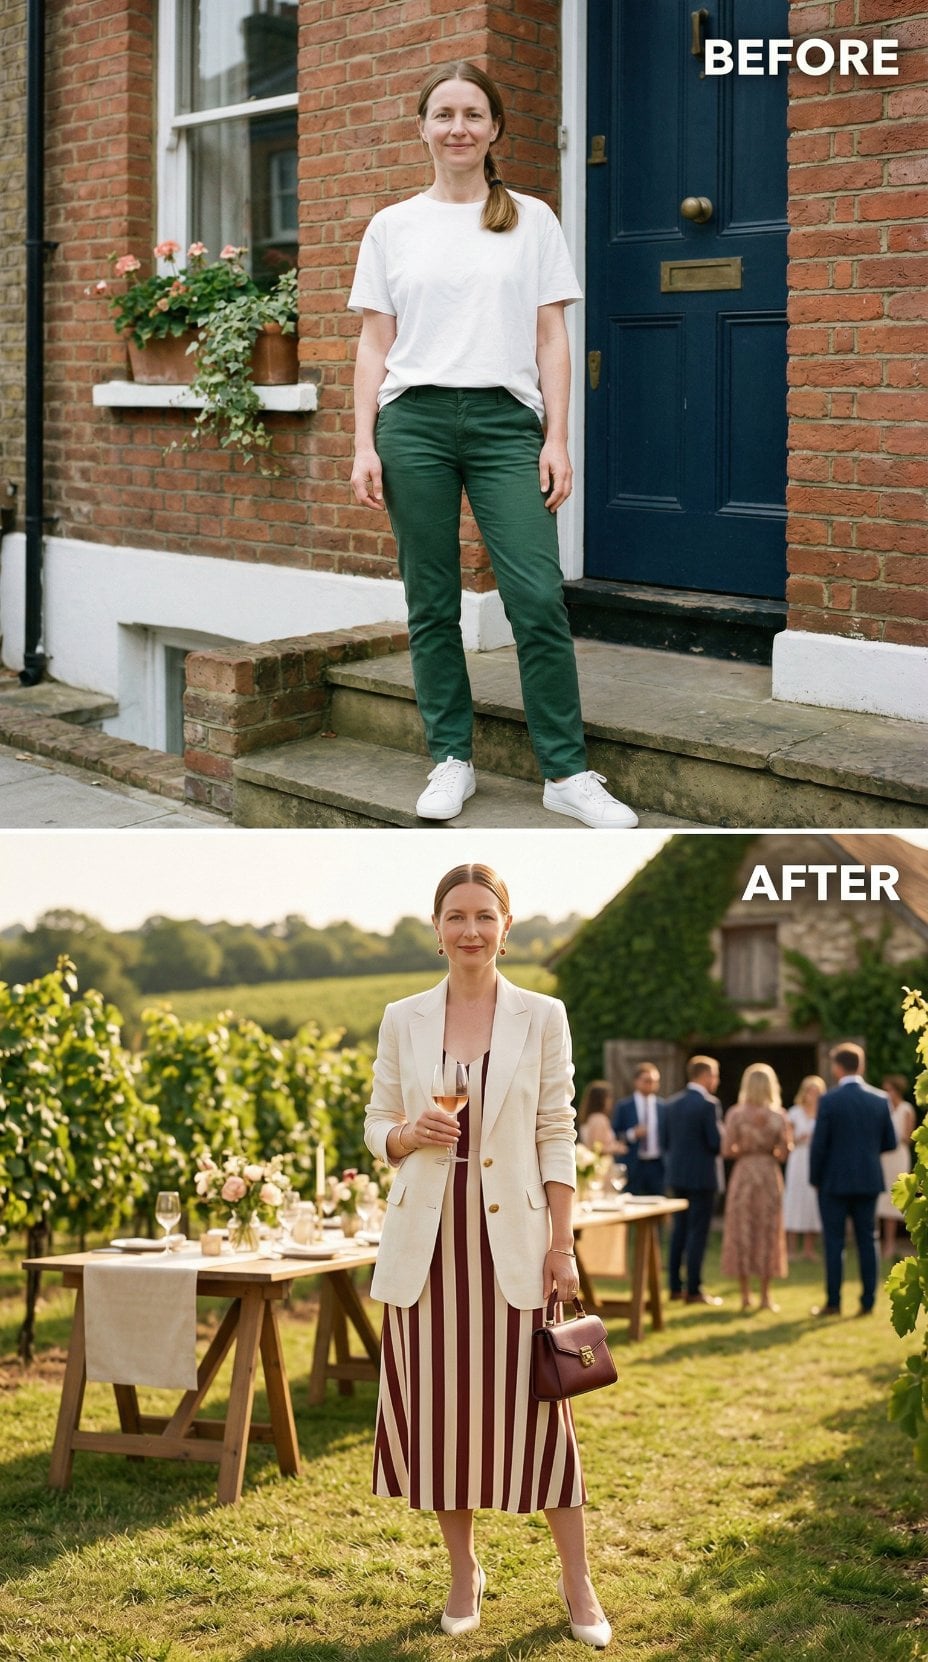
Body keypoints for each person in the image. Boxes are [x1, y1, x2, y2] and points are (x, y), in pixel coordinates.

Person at [348, 60, 638, 830]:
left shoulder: (532, 219)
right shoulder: (392, 226)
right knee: (432, 602)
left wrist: (558, 439)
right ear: (422, 127)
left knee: (537, 596)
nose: (458, 128)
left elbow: (552, 336)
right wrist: (363, 445)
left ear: (495, 129)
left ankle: (566, 772)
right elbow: (375, 345)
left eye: (473, 114)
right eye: (443, 114)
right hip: (413, 424)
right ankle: (451, 758)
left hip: (508, 425)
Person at [363, 862, 611, 1648]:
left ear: (507, 925)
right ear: (435, 929)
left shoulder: (543, 1016)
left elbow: (556, 1131)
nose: (470, 929)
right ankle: (463, 1570)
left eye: (484, 915)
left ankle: (578, 1582)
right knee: (440, 1416)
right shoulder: (402, 1017)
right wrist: (406, 1135)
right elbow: (377, 1123)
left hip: (513, 1242)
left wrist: (562, 1244)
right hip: (427, 1245)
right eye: (455, 915)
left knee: (541, 1416)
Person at [808, 1042, 897, 1317]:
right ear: (861, 1065)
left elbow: (819, 1145)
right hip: (868, 1180)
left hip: (833, 1182)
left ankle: (833, 1302)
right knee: (867, 1241)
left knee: (834, 1242)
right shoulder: (880, 1099)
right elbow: (890, 1142)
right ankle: (867, 1303)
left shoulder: (829, 1100)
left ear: (836, 1068)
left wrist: (815, 1178)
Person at [720, 1064, 793, 1312]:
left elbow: (727, 1150)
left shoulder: (736, 1114)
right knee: (768, 1231)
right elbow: (784, 1153)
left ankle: (744, 1296)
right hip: (769, 1174)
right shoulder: (779, 1115)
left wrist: (746, 1147)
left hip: (744, 1173)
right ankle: (765, 1296)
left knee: (743, 1229)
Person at [664, 1056, 724, 1306]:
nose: (717, 1081)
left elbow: (665, 1140)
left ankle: (675, 1287)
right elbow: (715, 1143)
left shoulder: (671, 1104)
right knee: (697, 1233)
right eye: (715, 1075)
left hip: (677, 1175)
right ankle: (694, 1289)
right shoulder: (709, 1105)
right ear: (706, 1075)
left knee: (678, 1230)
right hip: (701, 1177)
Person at [783, 1074, 825, 1261]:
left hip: (816, 1159)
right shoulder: (794, 1113)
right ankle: (791, 1249)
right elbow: (787, 1139)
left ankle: (809, 1249)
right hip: (798, 1159)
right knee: (794, 1199)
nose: (813, 1095)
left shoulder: (824, 1112)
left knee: (812, 1201)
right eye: (810, 1091)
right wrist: (799, 1139)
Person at [611, 1062, 666, 1197]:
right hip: (634, 1165)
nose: (651, 1084)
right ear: (636, 1081)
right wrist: (632, 1134)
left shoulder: (663, 1107)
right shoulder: (624, 1106)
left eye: (654, 1081)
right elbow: (615, 1135)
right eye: (647, 1081)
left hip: (657, 1165)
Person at [877, 1074, 916, 1259]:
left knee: (893, 1199)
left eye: (889, 1089)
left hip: (898, 1157)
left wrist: (893, 1135)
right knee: (880, 1198)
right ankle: (879, 1242)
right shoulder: (883, 1109)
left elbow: (908, 1138)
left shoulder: (907, 1109)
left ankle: (890, 1245)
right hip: (883, 1157)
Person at [577, 1080, 622, 1155]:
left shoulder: (590, 1117)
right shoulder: (599, 1119)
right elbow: (596, 1148)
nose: (611, 1101)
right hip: (601, 1164)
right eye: (609, 1097)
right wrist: (616, 1148)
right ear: (601, 1099)